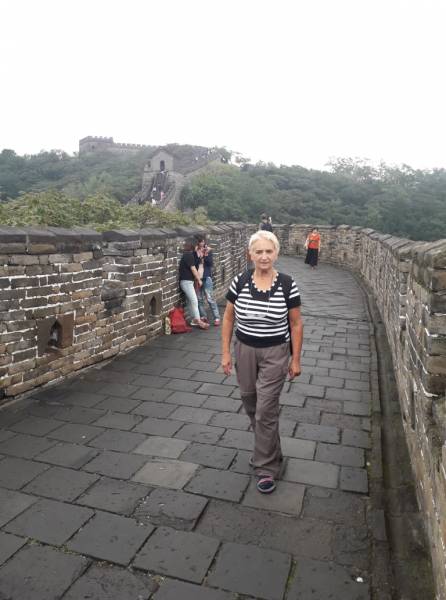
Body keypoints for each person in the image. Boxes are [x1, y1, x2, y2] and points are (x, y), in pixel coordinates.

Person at [221, 230, 303, 493]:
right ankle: (271, 452)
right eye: (259, 251)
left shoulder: (288, 284)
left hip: (275, 352)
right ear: (251, 254)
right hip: (244, 349)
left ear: (276, 253)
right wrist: (225, 353)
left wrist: (296, 359)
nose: (264, 256)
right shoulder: (240, 281)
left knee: (265, 409)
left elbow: (296, 324)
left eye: (269, 251)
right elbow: (228, 318)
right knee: (249, 401)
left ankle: (266, 467)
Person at [178, 239, 209, 330]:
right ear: (193, 246)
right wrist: (199, 280)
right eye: (197, 245)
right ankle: (198, 321)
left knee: (190, 301)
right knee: (194, 301)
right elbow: (193, 269)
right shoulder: (188, 255)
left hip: (188, 282)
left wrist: (201, 257)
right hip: (186, 282)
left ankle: (194, 320)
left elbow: (197, 266)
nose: (198, 247)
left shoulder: (189, 255)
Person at [194, 236, 221, 326]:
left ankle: (217, 317)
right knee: (199, 299)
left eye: (203, 242)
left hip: (206, 277)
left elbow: (210, 263)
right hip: (198, 278)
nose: (202, 244)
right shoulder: (195, 252)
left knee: (210, 298)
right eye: (200, 242)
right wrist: (197, 254)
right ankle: (203, 316)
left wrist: (205, 254)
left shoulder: (208, 251)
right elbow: (194, 263)